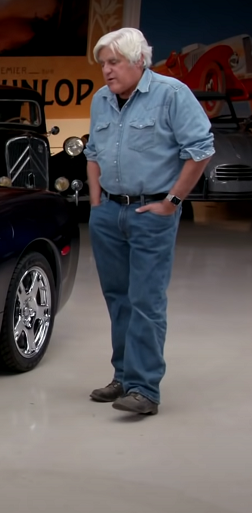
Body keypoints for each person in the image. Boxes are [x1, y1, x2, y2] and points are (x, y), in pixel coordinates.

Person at [82, 28, 215, 415]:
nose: (106, 71)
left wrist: (172, 201)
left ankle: (145, 389)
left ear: (139, 60)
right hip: (108, 212)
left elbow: (201, 150)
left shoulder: (171, 95)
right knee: (118, 299)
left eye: (114, 62)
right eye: (103, 63)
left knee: (146, 300)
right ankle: (123, 376)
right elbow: (92, 153)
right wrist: (95, 203)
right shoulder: (101, 100)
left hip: (151, 213)